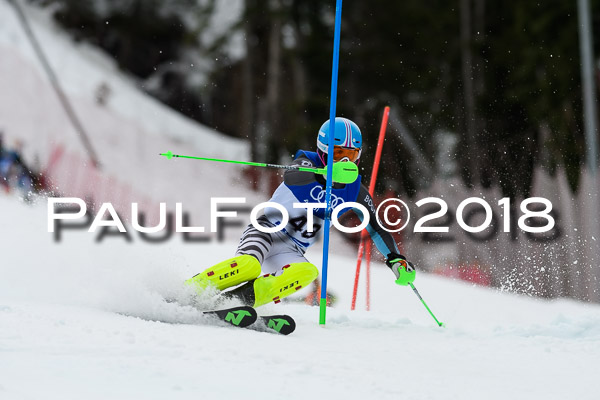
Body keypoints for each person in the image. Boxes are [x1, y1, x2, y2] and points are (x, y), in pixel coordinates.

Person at [186, 117, 416, 307]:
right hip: (266, 232)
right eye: (337, 154)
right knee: (249, 266)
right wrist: (325, 174)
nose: (345, 161)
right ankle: (190, 291)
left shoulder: (355, 189)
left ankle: (240, 301)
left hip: (290, 248)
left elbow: (376, 227)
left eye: (351, 155)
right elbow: (294, 177)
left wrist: (395, 260)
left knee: (306, 271)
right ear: (324, 151)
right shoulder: (306, 164)